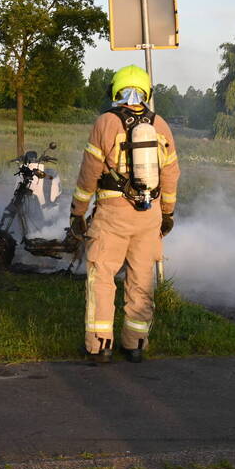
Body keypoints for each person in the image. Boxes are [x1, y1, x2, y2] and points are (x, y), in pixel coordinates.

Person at [68, 65, 180, 364]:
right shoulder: (161, 125)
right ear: (147, 93)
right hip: (150, 215)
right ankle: (136, 344)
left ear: (114, 91)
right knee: (141, 280)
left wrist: (78, 211)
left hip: (113, 213)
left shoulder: (106, 122)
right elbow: (171, 175)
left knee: (102, 277)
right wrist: (166, 212)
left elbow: (89, 172)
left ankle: (99, 345)